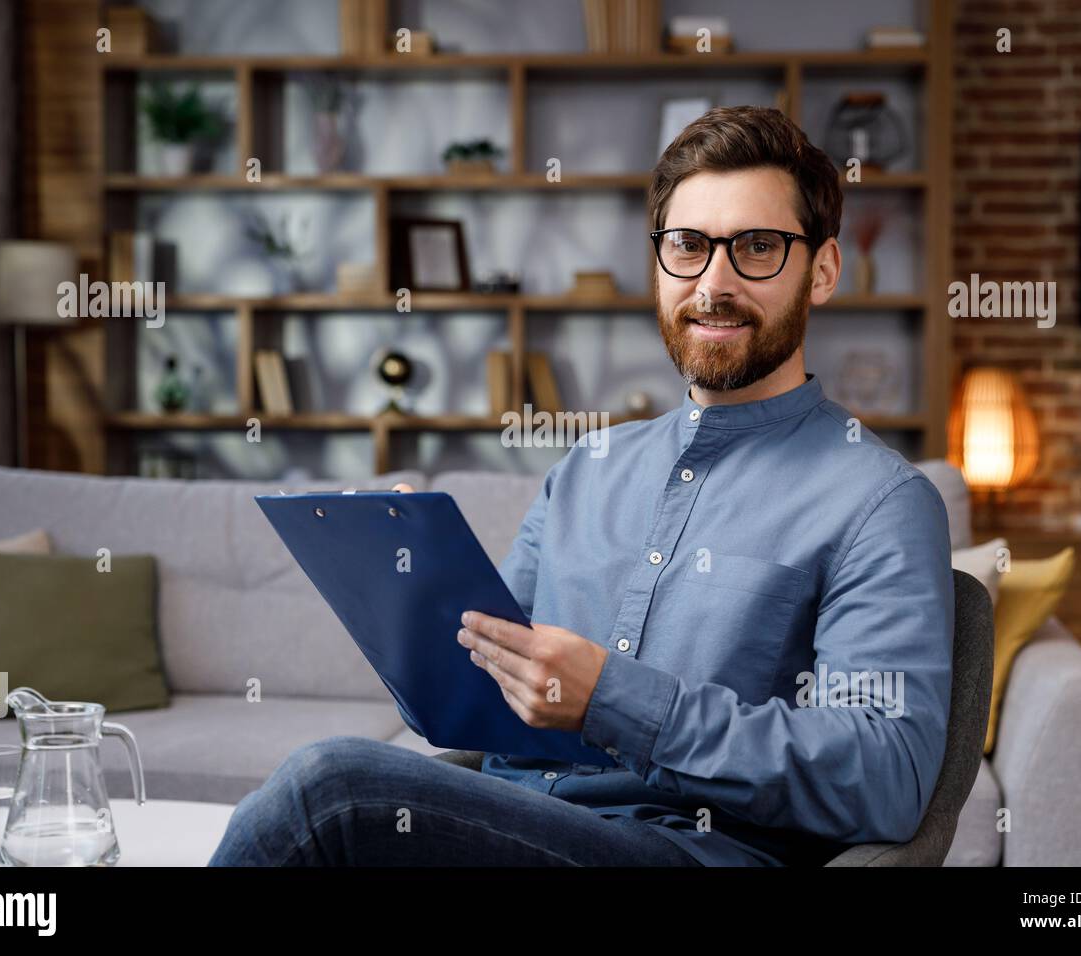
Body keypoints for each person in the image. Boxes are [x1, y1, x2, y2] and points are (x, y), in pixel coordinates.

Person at [209, 105, 954, 867]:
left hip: (688, 851)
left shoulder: (881, 502)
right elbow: (474, 702)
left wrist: (612, 699)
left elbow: (884, 773)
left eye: (758, 248)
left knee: (329, 790)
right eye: (688, 247)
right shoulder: (586, 469)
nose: (713, 283)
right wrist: (401, 593)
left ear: (822, 271)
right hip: (513, 827)